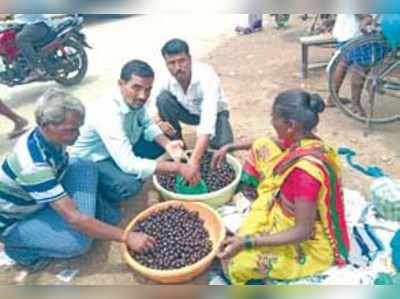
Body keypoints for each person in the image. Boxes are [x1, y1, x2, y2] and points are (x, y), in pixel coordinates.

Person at [0, 88, 156, 272]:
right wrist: (127, 237)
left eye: (78, 127)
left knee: (85, 165)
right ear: (45, 124)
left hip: (42, 198)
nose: (77, 134)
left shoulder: (50, 139)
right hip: (18, 219)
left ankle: (89, 219)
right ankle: (18, 250)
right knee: (78, 242)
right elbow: (74, 218)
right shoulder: (32, 165)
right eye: (70, 130)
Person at [212, 89, 350, 285]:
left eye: (274, 118)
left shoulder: (304, 176)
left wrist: (248, 242)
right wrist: (230, 147)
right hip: (285, 194)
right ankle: (258, 200)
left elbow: (302, 231)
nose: (271, 122)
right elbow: (272, 142)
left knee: (237, 262)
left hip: (306, 239)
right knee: (262, 145)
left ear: (291, 125)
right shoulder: (304, 139)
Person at [70, 59, 196, 206]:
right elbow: (128, 164)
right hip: (95, 159)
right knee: (130, 184)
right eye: (136, 87)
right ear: (121, 84)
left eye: (148, 89)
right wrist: (178, 168)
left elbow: (148, 124)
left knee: (167, 137)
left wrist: (168, 145)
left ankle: (136, 167)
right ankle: (96, 191)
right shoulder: (108, 113)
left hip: (122, 146)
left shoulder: (135, 100)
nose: (143, 95)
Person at [150, 38, 234, 184]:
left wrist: (194, 160)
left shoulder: (206, 75)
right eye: (171, 63)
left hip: (216, 114)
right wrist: (158, 122)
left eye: (181, 61)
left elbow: (208, 118)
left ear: (189, 59)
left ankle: (199, 152)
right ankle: (178, 143)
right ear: (166, 64)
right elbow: (151, 103)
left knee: (222, 149)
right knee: (163, 99)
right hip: (188, 113)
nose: (177, 67)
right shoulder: (165, 77)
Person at [326, 14, 376, 116]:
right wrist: (366, 18)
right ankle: (355, 105)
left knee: (344, 61)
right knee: (362, 65)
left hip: (346, 31)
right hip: (356, 32)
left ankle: (332, 98)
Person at [13, 14, 54, 81]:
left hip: (39, 24)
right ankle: (23, 65)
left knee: (21, 38)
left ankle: (37, 68)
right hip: (27, 24)